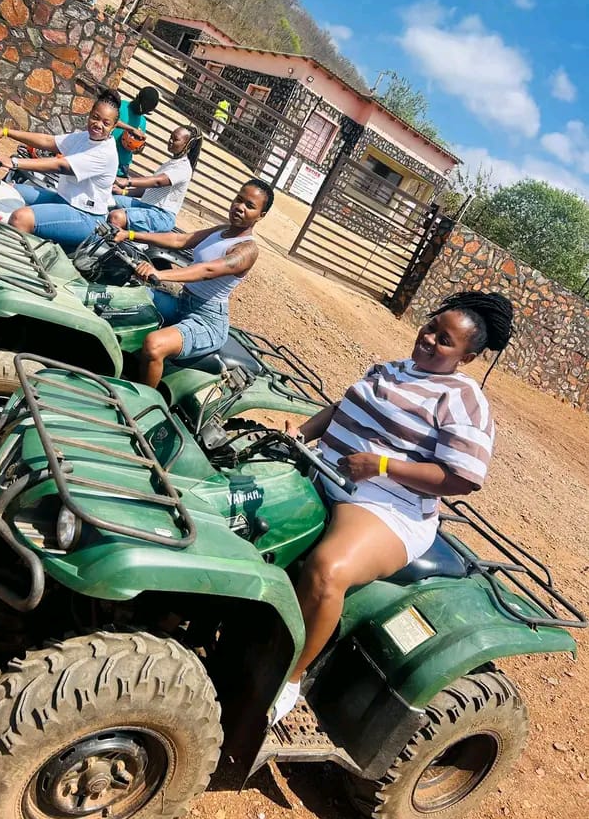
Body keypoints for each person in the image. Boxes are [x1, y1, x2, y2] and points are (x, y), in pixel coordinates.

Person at [272, 291, 514, 724]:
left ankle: (288, 682)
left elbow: (463, 478)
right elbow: (343, 407)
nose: (429, 339)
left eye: (445, 340)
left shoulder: (462, 397)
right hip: (326, 473)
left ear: (469, 356)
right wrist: (301, 434)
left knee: (328, 571)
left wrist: (382, 465)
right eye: (431, 327)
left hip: (386, 504)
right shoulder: (390, 368)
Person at [116, 178, 274, 387]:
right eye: (239, 199)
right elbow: (180, 240)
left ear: (260, 216)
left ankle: (141, 409)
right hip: (183, 303)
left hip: (207, 320)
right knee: (125, 297)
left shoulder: (247, 250)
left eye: (250, 206)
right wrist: (131, 234)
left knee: (154, 345)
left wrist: (159, 274)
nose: (240, 207)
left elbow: (208, 271)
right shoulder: (221, 231)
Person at [0, 90, 121, 252]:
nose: (98, 124)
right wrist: (6, 132)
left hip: (86, 217)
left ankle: (3, 267)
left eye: (106, 123)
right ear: (90, 114)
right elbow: (48, 141)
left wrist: (14, 162)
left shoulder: (105, 153)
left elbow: (62, 166)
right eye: (95, 117)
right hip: (63, 199)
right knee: (4, 188)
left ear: (114, 126)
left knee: (21, 218)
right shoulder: (84, 137)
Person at [108, 124, 202, 234]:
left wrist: (127, 181)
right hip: (146, 206)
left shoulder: (183, 168)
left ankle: (112, 247)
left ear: (188, 145)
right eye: (171, 137)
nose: (170, 141)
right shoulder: (171, 163)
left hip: (161, 215)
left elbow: (157, 182)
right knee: (107, 199)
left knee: (116, 217)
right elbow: (150, 189)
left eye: (175, 139)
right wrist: (123, 192)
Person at [113, 86, 160, 177]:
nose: (142, 112)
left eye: (146, 112)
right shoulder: (120, 106)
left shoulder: (142, 121)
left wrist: (138, 148)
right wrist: (132, 129)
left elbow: (136, 147)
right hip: (105, 158)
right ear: (137, 97)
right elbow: (110, 120)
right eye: (142, 108)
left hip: (121, 167)